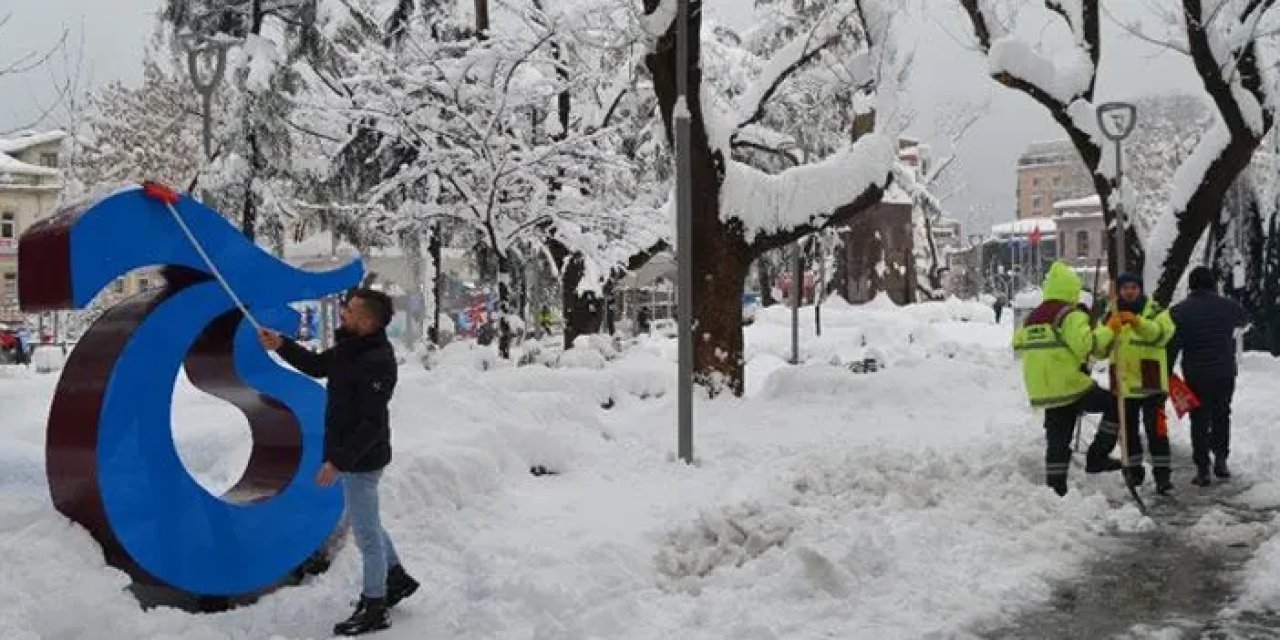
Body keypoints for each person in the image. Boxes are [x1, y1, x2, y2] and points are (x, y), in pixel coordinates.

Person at [258, 289, 419, 636]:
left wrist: (339, 463)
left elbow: (371, 425)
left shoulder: (376, 360)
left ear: (367, 320)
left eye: (349, 310)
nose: (342, 312)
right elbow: (317, 366)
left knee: (366, 536)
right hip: (351, 455)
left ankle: (375, 605)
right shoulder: (352, 347)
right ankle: (396, 578)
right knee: (368, 520)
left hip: (362, 458)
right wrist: (281, 345)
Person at [1012, 262, 1123, 496]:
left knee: (1058, 438)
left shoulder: (1033, 317)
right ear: (1071, 290)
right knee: (1114, 404)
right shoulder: (1070, 315)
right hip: (1070, 385)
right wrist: (1109, 328)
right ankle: (1097, 456)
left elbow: (1018, 343)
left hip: (1043, 389)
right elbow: (1087, 345)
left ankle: (1056, 487)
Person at [1095, 273, 1177, 494]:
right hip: (1123, 383)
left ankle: (1163, 477)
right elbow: (1099, 350)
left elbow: (1160, 335)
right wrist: (1108, 329)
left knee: (1157, 432)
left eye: (1133, 287)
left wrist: (1137, 321)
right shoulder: (1109, 315)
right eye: (1125, 288)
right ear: (1119, 291)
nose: (1129, 292)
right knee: (1128, 432)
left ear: (1140, 289)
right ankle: (1134, 472)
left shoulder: (1157, 312)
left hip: (1151, 383)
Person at [1169, 266, 1250, 486]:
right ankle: (1221, 459)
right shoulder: (1229, 307)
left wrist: (1166, 372)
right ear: (1213, 284)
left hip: (1196, 374)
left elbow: (1173, 344)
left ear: (1191, 285)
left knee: (1199, 418)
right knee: (1222, 414)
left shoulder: (1179, 311)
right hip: (1224, 371)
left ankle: (1202, 468)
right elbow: (1244, 320)